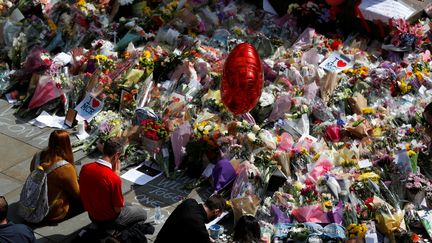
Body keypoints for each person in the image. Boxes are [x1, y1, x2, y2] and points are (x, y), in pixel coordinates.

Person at [79, 138, 147, 230]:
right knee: (142, 213)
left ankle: (98, 225)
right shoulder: (113, 178)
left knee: (129, 206)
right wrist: (116, 177)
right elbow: (117, 209)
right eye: (120, 157)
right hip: (109, 219)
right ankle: (113, 231)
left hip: (92, 215)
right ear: (117, 155)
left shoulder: (85, 168)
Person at [29, 129, 80, 222]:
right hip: (52, 212)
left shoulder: (38, 155)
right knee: (90, 199)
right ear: (67, 144)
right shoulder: (65, 168)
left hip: (34, 204)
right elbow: (77, 194)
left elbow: (32, 170)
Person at [155, 194, 226, 243]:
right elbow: (198, 229)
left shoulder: (189, 202)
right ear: (216, 211)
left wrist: (206, 238)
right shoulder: (199, 227)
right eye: (218, 216)